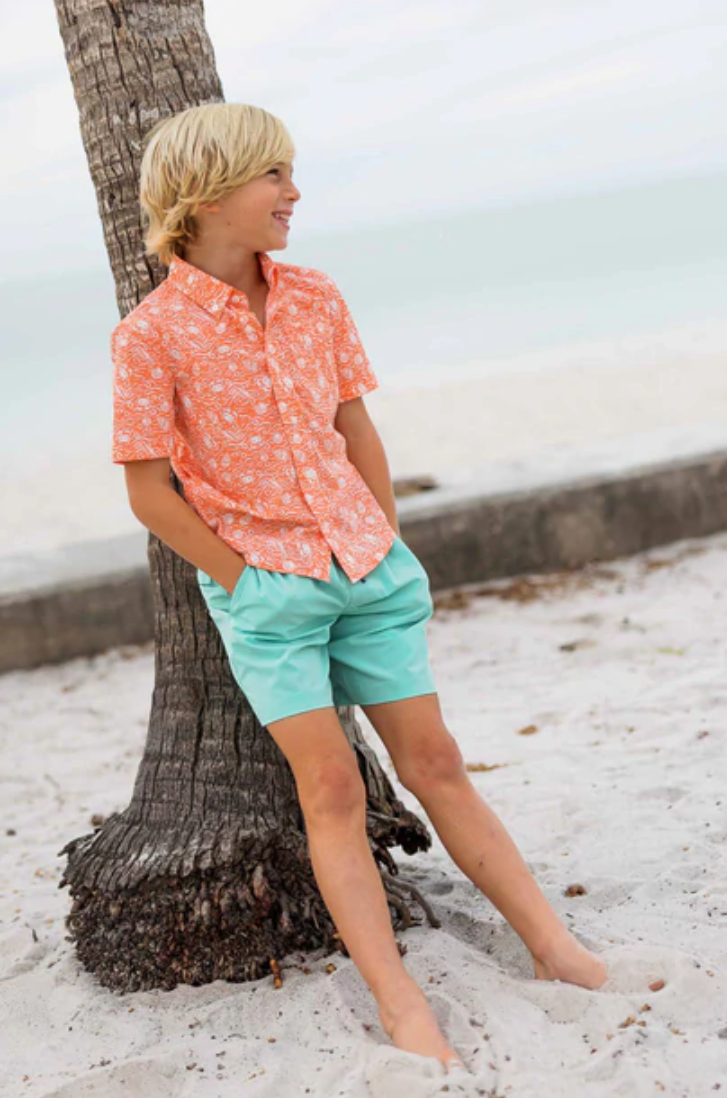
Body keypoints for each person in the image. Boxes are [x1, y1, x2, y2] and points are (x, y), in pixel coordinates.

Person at [110, 102, 607, 1074]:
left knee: (438, 762)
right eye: (274, 176)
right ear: (207, 196)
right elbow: (147, 492)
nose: (293, 193)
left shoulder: (316, 297)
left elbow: (357, 430)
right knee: (332, 787)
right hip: (268, 595)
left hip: (366, 570)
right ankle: (400, 1001)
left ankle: (555, 948)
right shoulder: (148, 336)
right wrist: (244, 579)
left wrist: (384, 543)